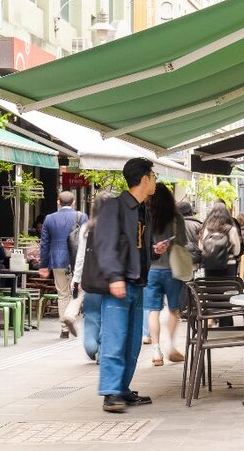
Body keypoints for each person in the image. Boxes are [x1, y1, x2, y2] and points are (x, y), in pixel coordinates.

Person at [93, 157, 168, 413]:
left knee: (133, 341)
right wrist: (114, 277)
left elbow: (135, 245)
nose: (156, 181)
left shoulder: (141, 209)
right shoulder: (115, 207)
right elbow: (105, 243)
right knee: (115, 339)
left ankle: (122, 389)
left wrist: (154, 251)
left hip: (137, 282)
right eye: (154, 176)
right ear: (144, 179)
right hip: (120, 282)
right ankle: (111, 393)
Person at [68, 191, 116, 361]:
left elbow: (80, 257)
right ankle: (102, 352)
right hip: (111, 281)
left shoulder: (86, 229)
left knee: (92, 315)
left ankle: (90, 347)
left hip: (91, 281)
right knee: (108, 317)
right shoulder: (118, 227)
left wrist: (76, 279)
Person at [145, 183, 187, 367]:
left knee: (153, 310)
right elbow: (183, 242)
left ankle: (156, 350)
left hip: (151, 270)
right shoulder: (177, 217)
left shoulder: (147, 216)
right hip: (173, 269)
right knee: (173, 309)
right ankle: (170, 344)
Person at [39, 191, 88, 339]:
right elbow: (87, 241)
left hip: (57, 261)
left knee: (62, 294)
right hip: (77, 261)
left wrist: (43, 265)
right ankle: (71, 316)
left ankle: (64, 329)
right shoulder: (82, 217)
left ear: (58, 202)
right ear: (73, 203)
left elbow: (44, 244)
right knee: (79, 292)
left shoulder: (49, 219)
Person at [200, 201, 241, 278]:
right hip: (228, 265)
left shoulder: (207, 229)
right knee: (227, 288)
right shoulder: (231, 229)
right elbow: (236, 251)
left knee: (211, 288)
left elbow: (201, 247)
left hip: (210, 265)